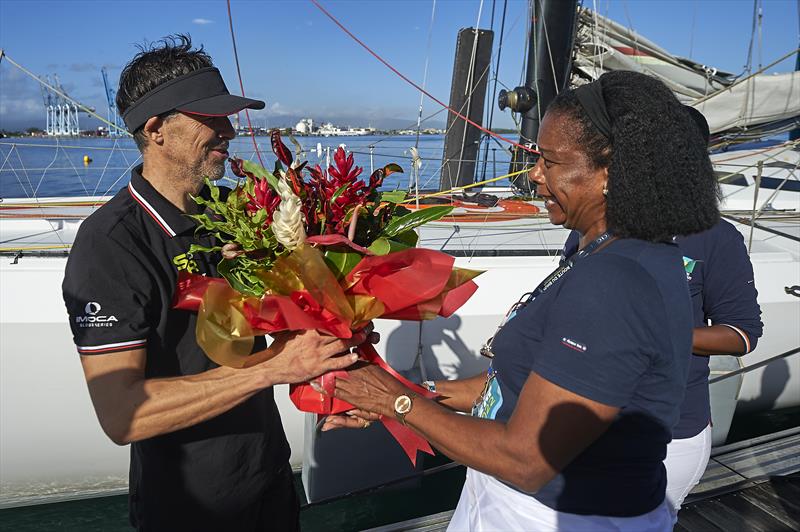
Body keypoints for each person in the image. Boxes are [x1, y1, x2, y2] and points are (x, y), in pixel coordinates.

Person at [321, 70, 721, 531]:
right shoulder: (623, 252)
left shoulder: (615, 279)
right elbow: (519, 386)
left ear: (611, 172)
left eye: (549, 161)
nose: (534, 175)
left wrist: (398, 404)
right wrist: (411, 394)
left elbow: (528, 459)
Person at [62, 35, 370, 531]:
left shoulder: (235, 215)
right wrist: (274, 369)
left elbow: (287, 330)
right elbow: (124, 416)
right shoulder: (110, 245)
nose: (228, 130)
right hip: (190, 512)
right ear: (157, 129)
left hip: (270, 484)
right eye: (211, 118)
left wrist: (329, 379)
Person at [561, 110, 763, 520]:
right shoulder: (595, 224)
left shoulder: (715, 238)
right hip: (588, 420)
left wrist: (659, 332)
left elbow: (742, 333)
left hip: (667, 433)